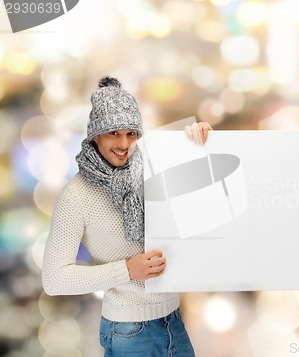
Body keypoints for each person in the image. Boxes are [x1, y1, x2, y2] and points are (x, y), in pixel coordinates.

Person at [42, 76, 212, 356]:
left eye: (132, 134)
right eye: (114, 133)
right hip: (129, 332)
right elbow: (54, 279)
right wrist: (127, 270)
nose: (124, 144)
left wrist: (198, 138)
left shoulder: (154, 164)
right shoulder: (76, 195)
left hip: (174, 320)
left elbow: (198, 181)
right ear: (95, 135)